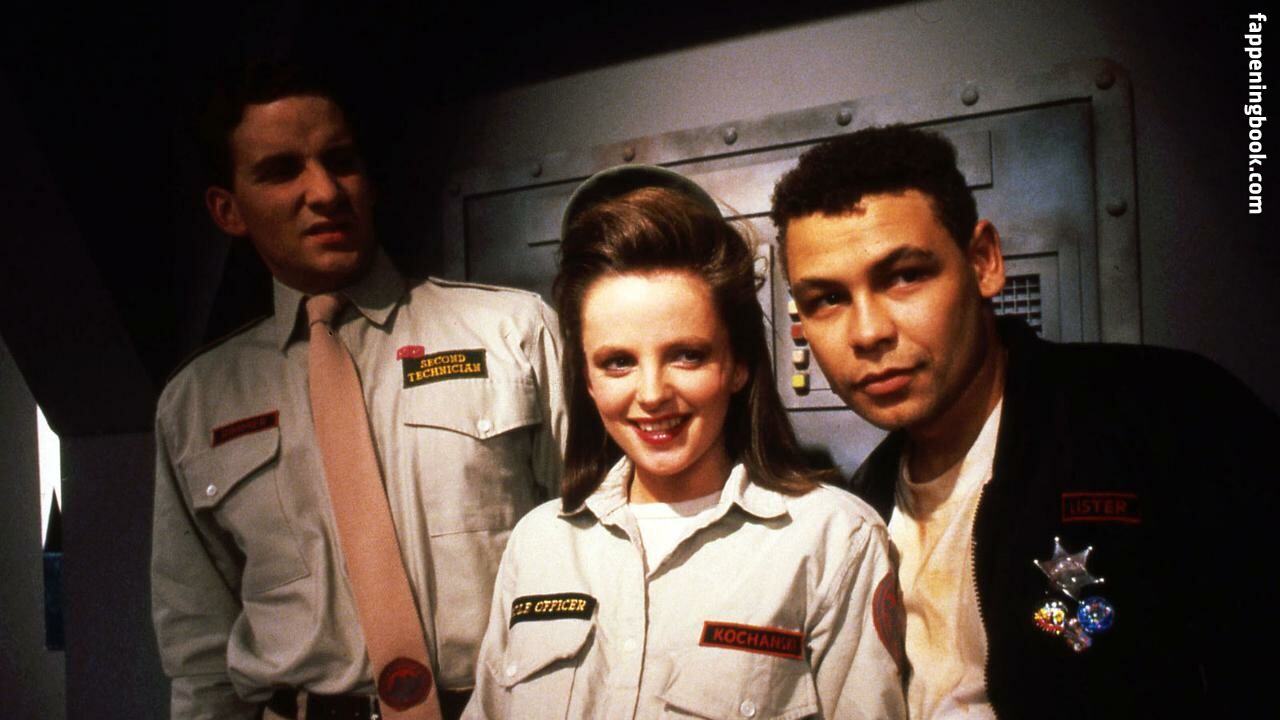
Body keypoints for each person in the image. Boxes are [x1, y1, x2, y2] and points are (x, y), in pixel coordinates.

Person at [769, 124, 1279, 718]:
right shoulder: (860, 511)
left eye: (905, 275)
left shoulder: (1170, 416)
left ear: (983, 262)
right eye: (827, 299)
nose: (868, 332)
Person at [150, 64, 566, 720]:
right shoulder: (196, 403)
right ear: (228, 210)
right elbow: (199, 651)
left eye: (340, 161)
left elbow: (598, 549)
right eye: (281, 171)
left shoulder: (513, 333)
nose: (324, 192)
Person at [465, 165, 907, 719]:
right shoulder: (538, 544)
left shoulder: (833, 542)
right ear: (588, 380)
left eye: (686, 355)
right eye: (618, 362)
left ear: (738, 365)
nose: (652, 394)